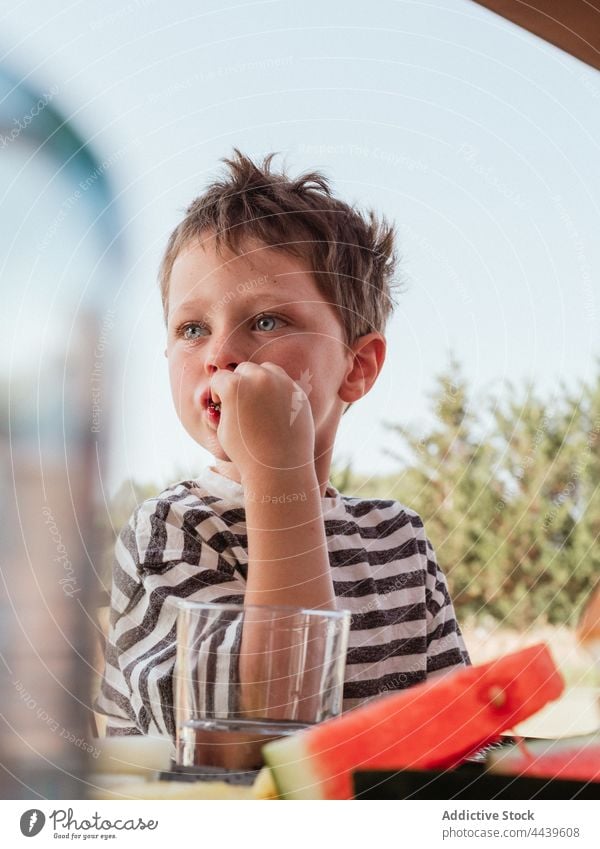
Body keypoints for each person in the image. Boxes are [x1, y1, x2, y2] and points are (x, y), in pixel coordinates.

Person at [95, 150, 471, 739]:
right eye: (192, 329)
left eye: (266, 321)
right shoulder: (173, 533)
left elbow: (458, 740)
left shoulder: (400, 541)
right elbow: (249, 738)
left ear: (358, 367)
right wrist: (278, 470)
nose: (220, 353)